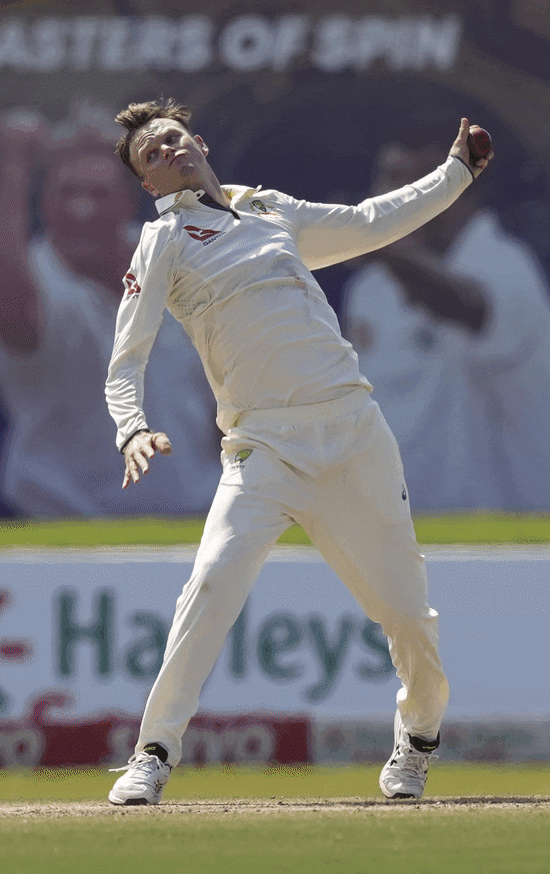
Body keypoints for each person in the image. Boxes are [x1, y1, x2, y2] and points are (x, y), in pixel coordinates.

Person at [105, 97, 493, 804]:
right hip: (262, 448)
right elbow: (125, 359)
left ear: (198, 139)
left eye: (170, 139)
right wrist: (132, 426)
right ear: (147, 184)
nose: (165, 153)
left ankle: (416, 737)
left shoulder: (270, 210)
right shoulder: (161, 241)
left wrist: (455, 173)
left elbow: (371, 221)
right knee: (212, 585)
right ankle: (153, 753)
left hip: (352, 434)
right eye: (149, 157)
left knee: (405, 615)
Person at [0, 104, 219, 517]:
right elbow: (13, 319)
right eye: (66, 193)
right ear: (44, 202)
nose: (80, 208)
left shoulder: (177, 259)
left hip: (194, 519)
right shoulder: (32, 279)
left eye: (98, 193)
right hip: (67, 528)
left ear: (131, 199)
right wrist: (13, 167)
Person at [341, 142, 550, 511]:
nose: (394, 196)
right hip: (401, 519)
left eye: (413, 180)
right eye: (388, 178)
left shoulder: (506, 264)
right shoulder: (369, 287)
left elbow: (469, 306)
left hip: (505, 531)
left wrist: (381, 245)